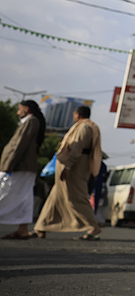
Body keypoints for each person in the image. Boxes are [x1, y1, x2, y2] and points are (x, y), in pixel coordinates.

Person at [34, 105, 103, 239]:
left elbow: (77, 148)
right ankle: (41, 227)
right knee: (55, 197)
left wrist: (67, 167)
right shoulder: (83, 126)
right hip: (70, 165)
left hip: (75, 167)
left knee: (75, 197)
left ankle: (93, 227)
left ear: (77, 114)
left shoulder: (84, 127)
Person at [0, 100, 46, 239]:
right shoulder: (30, 122)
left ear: (27, 109)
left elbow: (20, 145)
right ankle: (23, 229)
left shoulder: (31, 122)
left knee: (6, 193)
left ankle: (23, 229)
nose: (17, 112)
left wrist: (9, 164)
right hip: (23, 166)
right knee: (24, 198)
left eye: (19, 109)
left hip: (19, 166)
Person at [92, 159, 109, 225]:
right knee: (101, 207)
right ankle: (100, 221)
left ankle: (98, 221)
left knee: (99, 207)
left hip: (98, 187)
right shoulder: (103, 165)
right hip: (99, 187)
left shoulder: (96, 164)